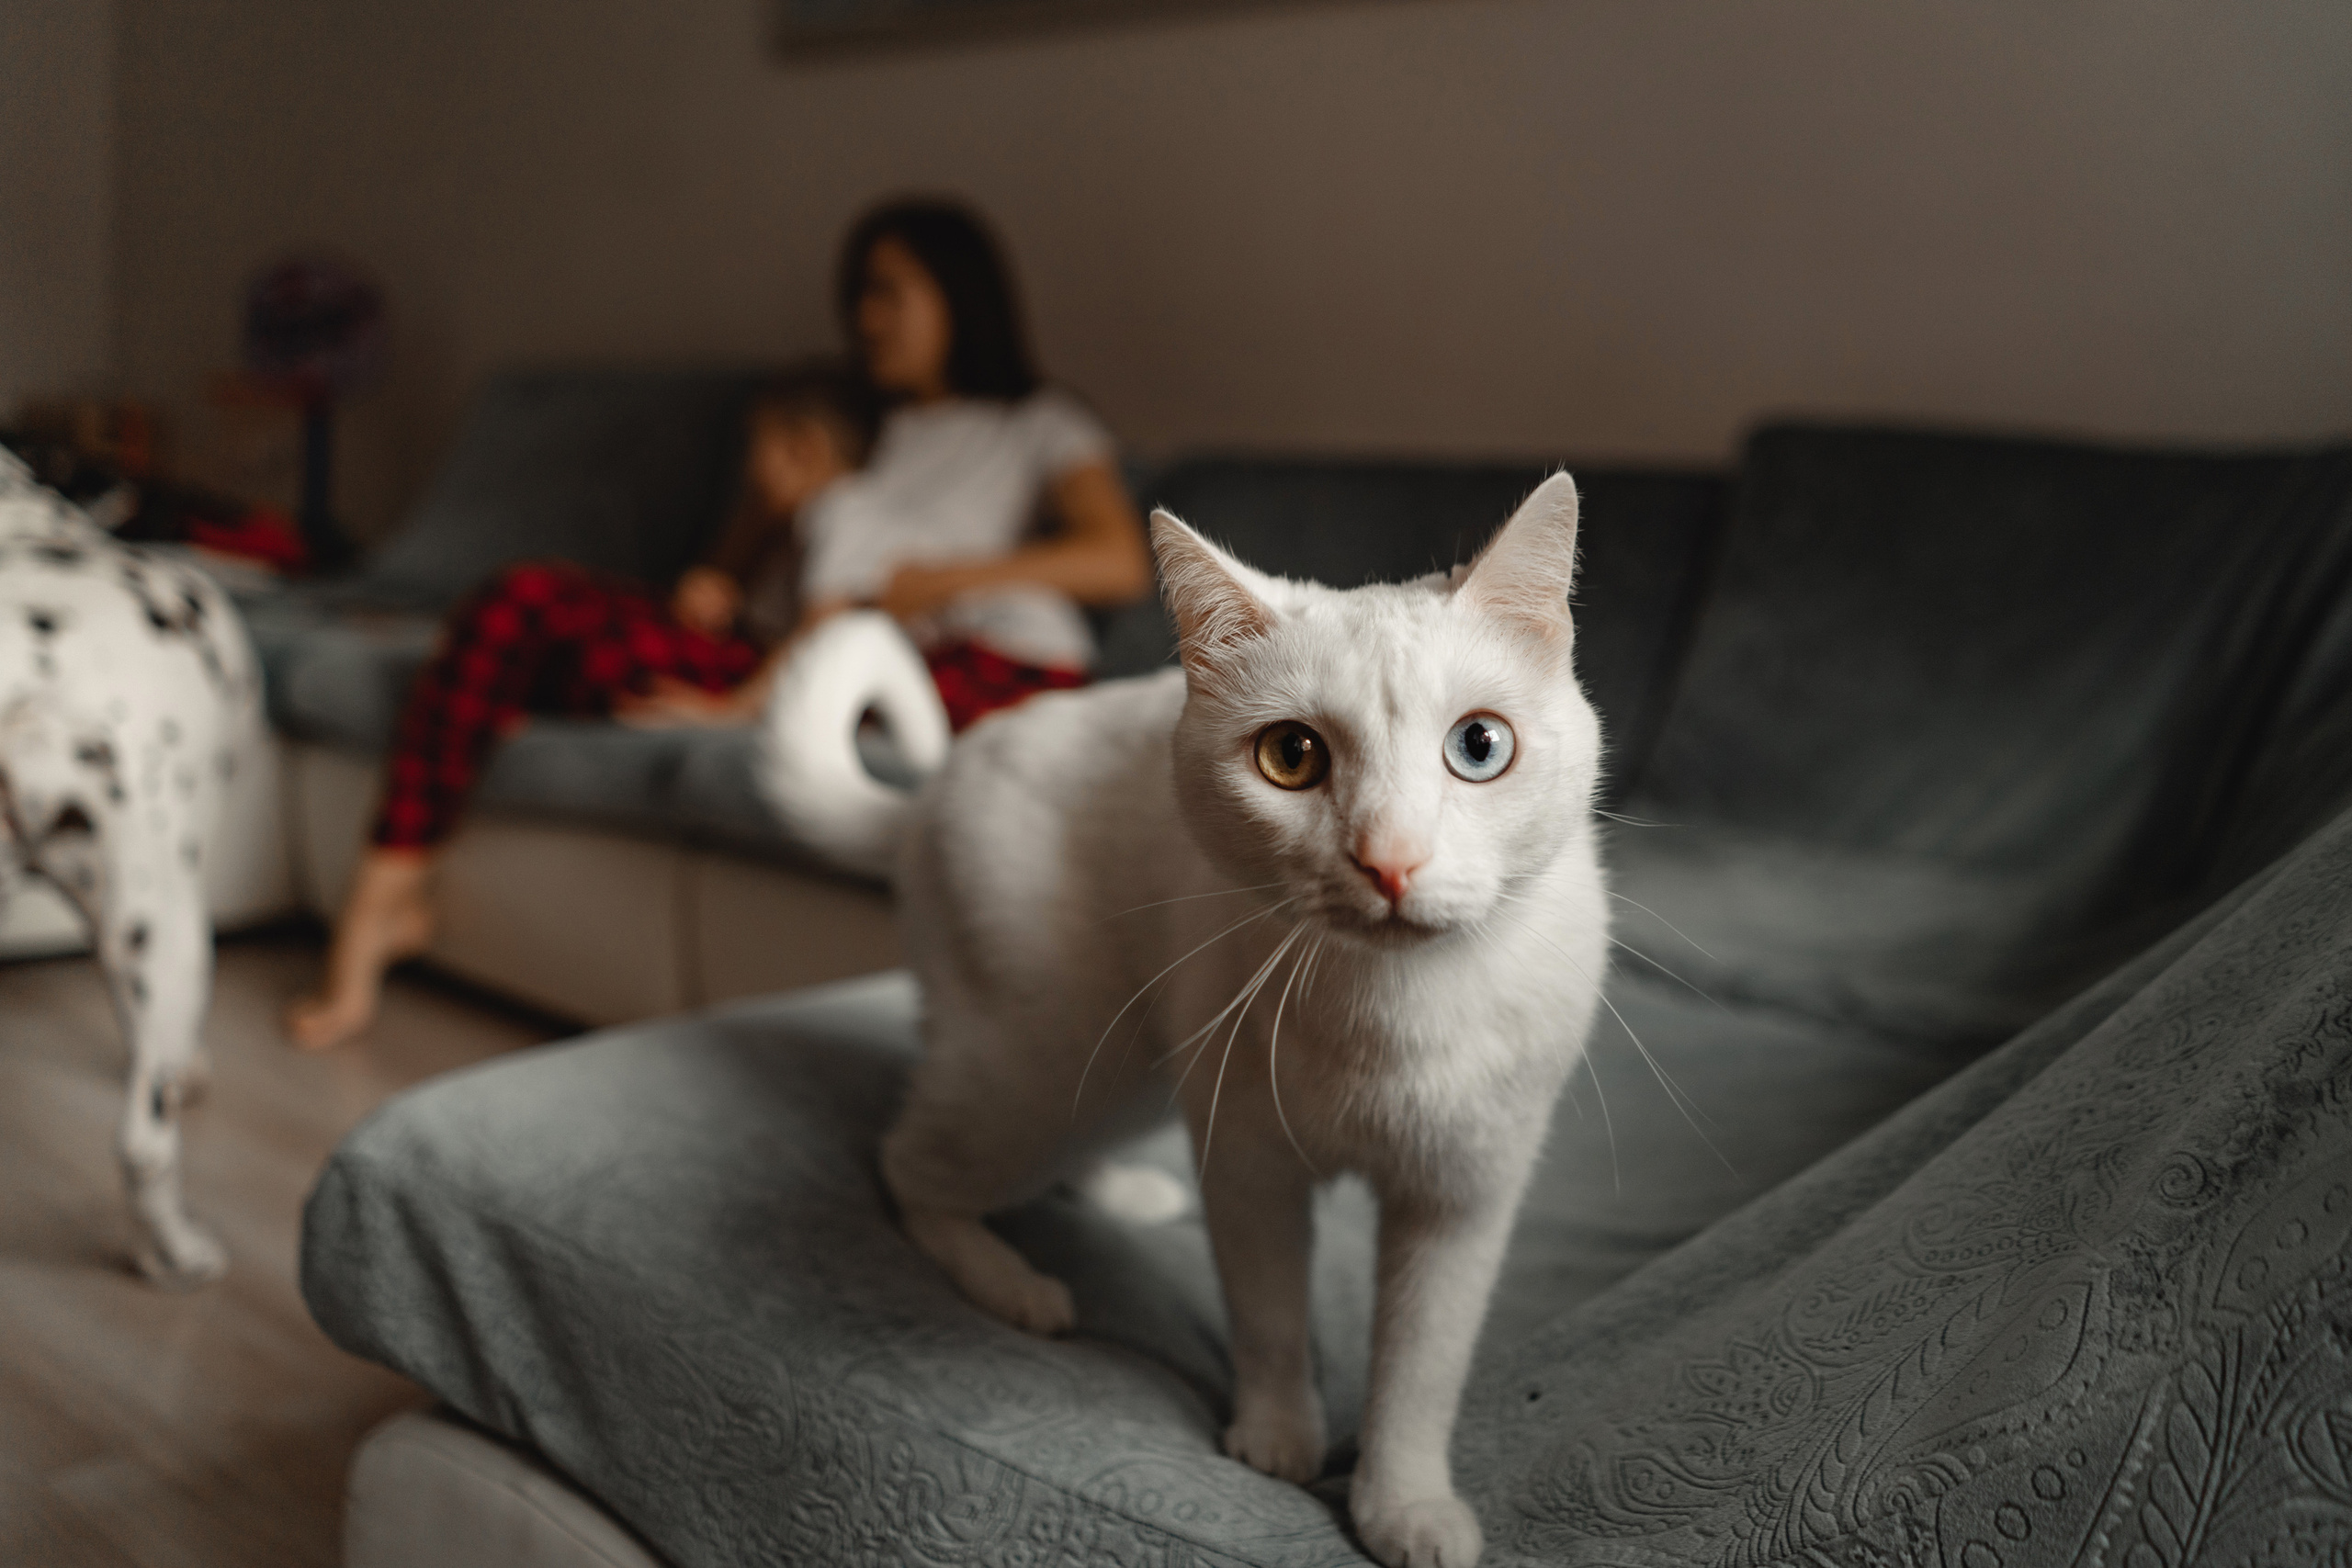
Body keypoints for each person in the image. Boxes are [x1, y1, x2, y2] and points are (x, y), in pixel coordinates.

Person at [286, 198, 1153, 1050]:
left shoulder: (1037, 422)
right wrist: (716, 583)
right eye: (858, 294)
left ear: (959, 292)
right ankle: (395, 880)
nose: (866, 317)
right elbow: (747, 554)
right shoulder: (839, 416)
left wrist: (943, 580)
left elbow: (1118, 560)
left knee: (577, 667)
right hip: (769, 648)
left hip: (896, 660)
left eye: (888, 291)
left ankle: (381, 894)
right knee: (521, 602)